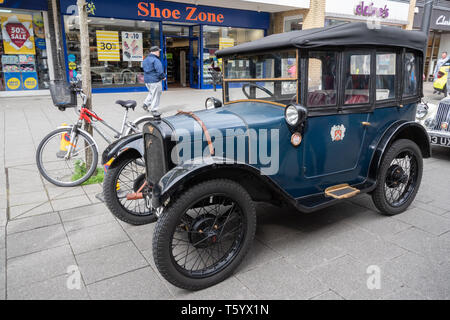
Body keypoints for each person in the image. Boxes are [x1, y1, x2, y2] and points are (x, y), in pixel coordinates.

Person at [142, 46, 166, 116]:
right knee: (156, 94)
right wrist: (163, 77)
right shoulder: (156, 60)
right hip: (155, 80)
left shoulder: (145, 59)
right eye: (158, 51)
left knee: (152, 92)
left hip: (147, 80)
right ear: (155, 51)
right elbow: (160, 71)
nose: (159, 53)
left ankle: (146, 103)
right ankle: (154, 110)